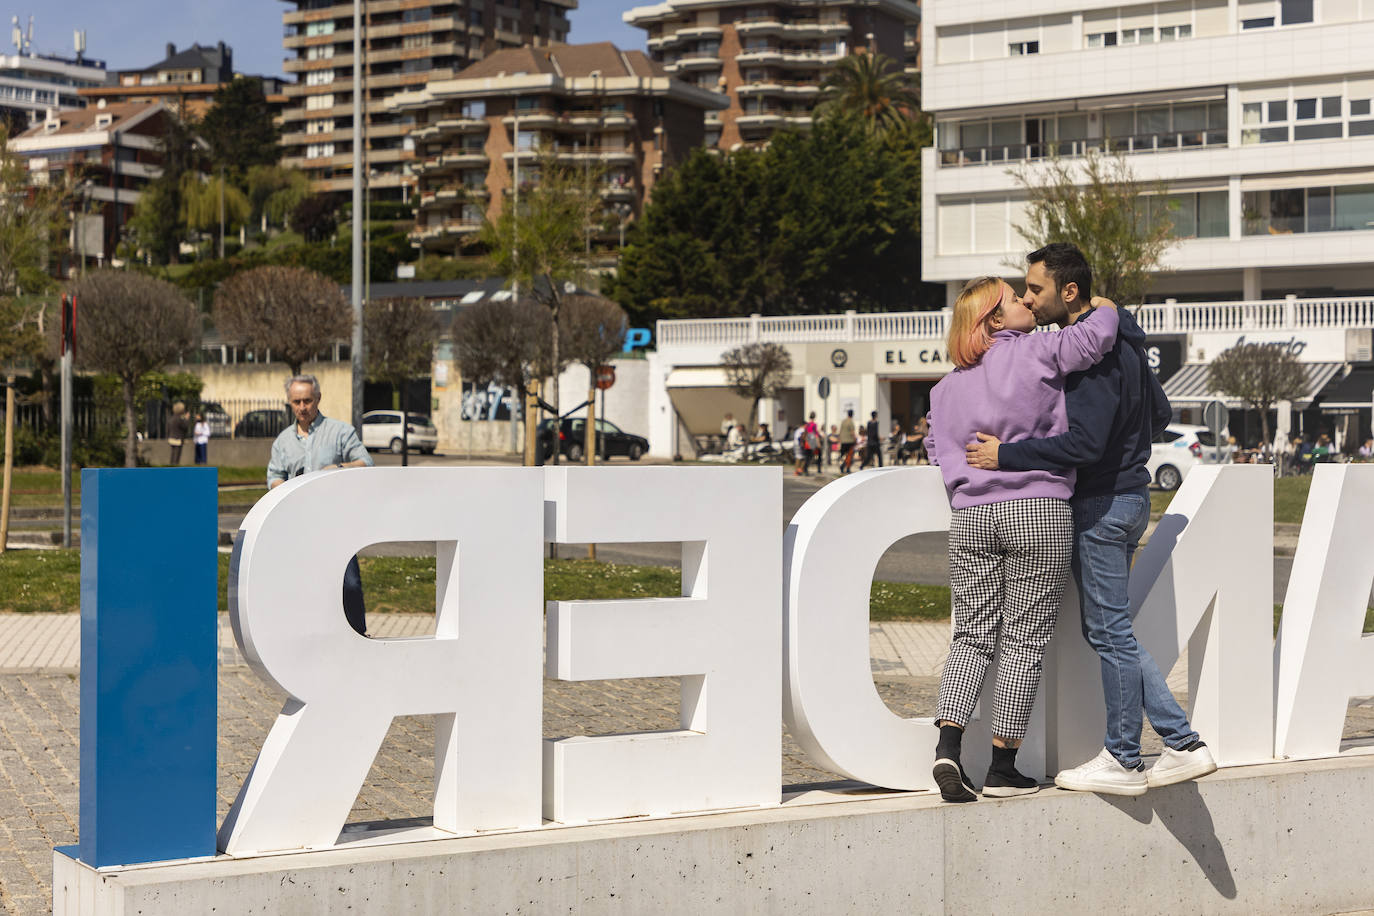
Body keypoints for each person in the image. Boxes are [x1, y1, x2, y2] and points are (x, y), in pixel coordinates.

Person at [965, 242, 1216, 797]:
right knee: (1107, 629)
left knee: (1109, 632)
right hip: (1130, 500)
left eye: (1035, 289)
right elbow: (1161, 414)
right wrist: (1121, 319)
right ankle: (1174, 745)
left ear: (1068, 291)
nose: (1028, 298)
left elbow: (1082, 442)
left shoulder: (1088, 359)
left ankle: (1144, 753)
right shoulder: (1122, 340)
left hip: (1100, 506)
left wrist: (1006, 455)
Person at [925, 274, 1120, 803]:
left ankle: (948, 746)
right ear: (994, 318)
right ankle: (1003, 766)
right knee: (1024, 639)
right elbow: (1096, 335)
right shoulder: (1036, 351)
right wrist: (1102, 301)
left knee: (970, 634)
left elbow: (932, 447)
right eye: (1015, 298)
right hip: (1036, 509)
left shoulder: (943, 390)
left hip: (970, 516)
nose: (1027, 302)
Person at [268, 375, 375, 636]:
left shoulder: (340, 432)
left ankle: (358, 636)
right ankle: (308, 637)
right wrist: (286, 492)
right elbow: (274, 476)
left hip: (336, 524)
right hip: (301, 526)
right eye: (296, 401)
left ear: (318, 399)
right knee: (304, 586)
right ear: (289, 403)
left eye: (307, 400)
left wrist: (337, 468)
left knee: (349, 584)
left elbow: (366, 462)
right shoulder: (283, 441)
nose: (302, 407)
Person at [167, 401, 190, 465]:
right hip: (177, 439)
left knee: (173, 454)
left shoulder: (172, 418)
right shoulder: (179, 419)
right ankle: (174, 467)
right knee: (176, 456)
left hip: (171, 437)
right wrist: (187, 419)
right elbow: (185, 427)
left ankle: (171, 466)